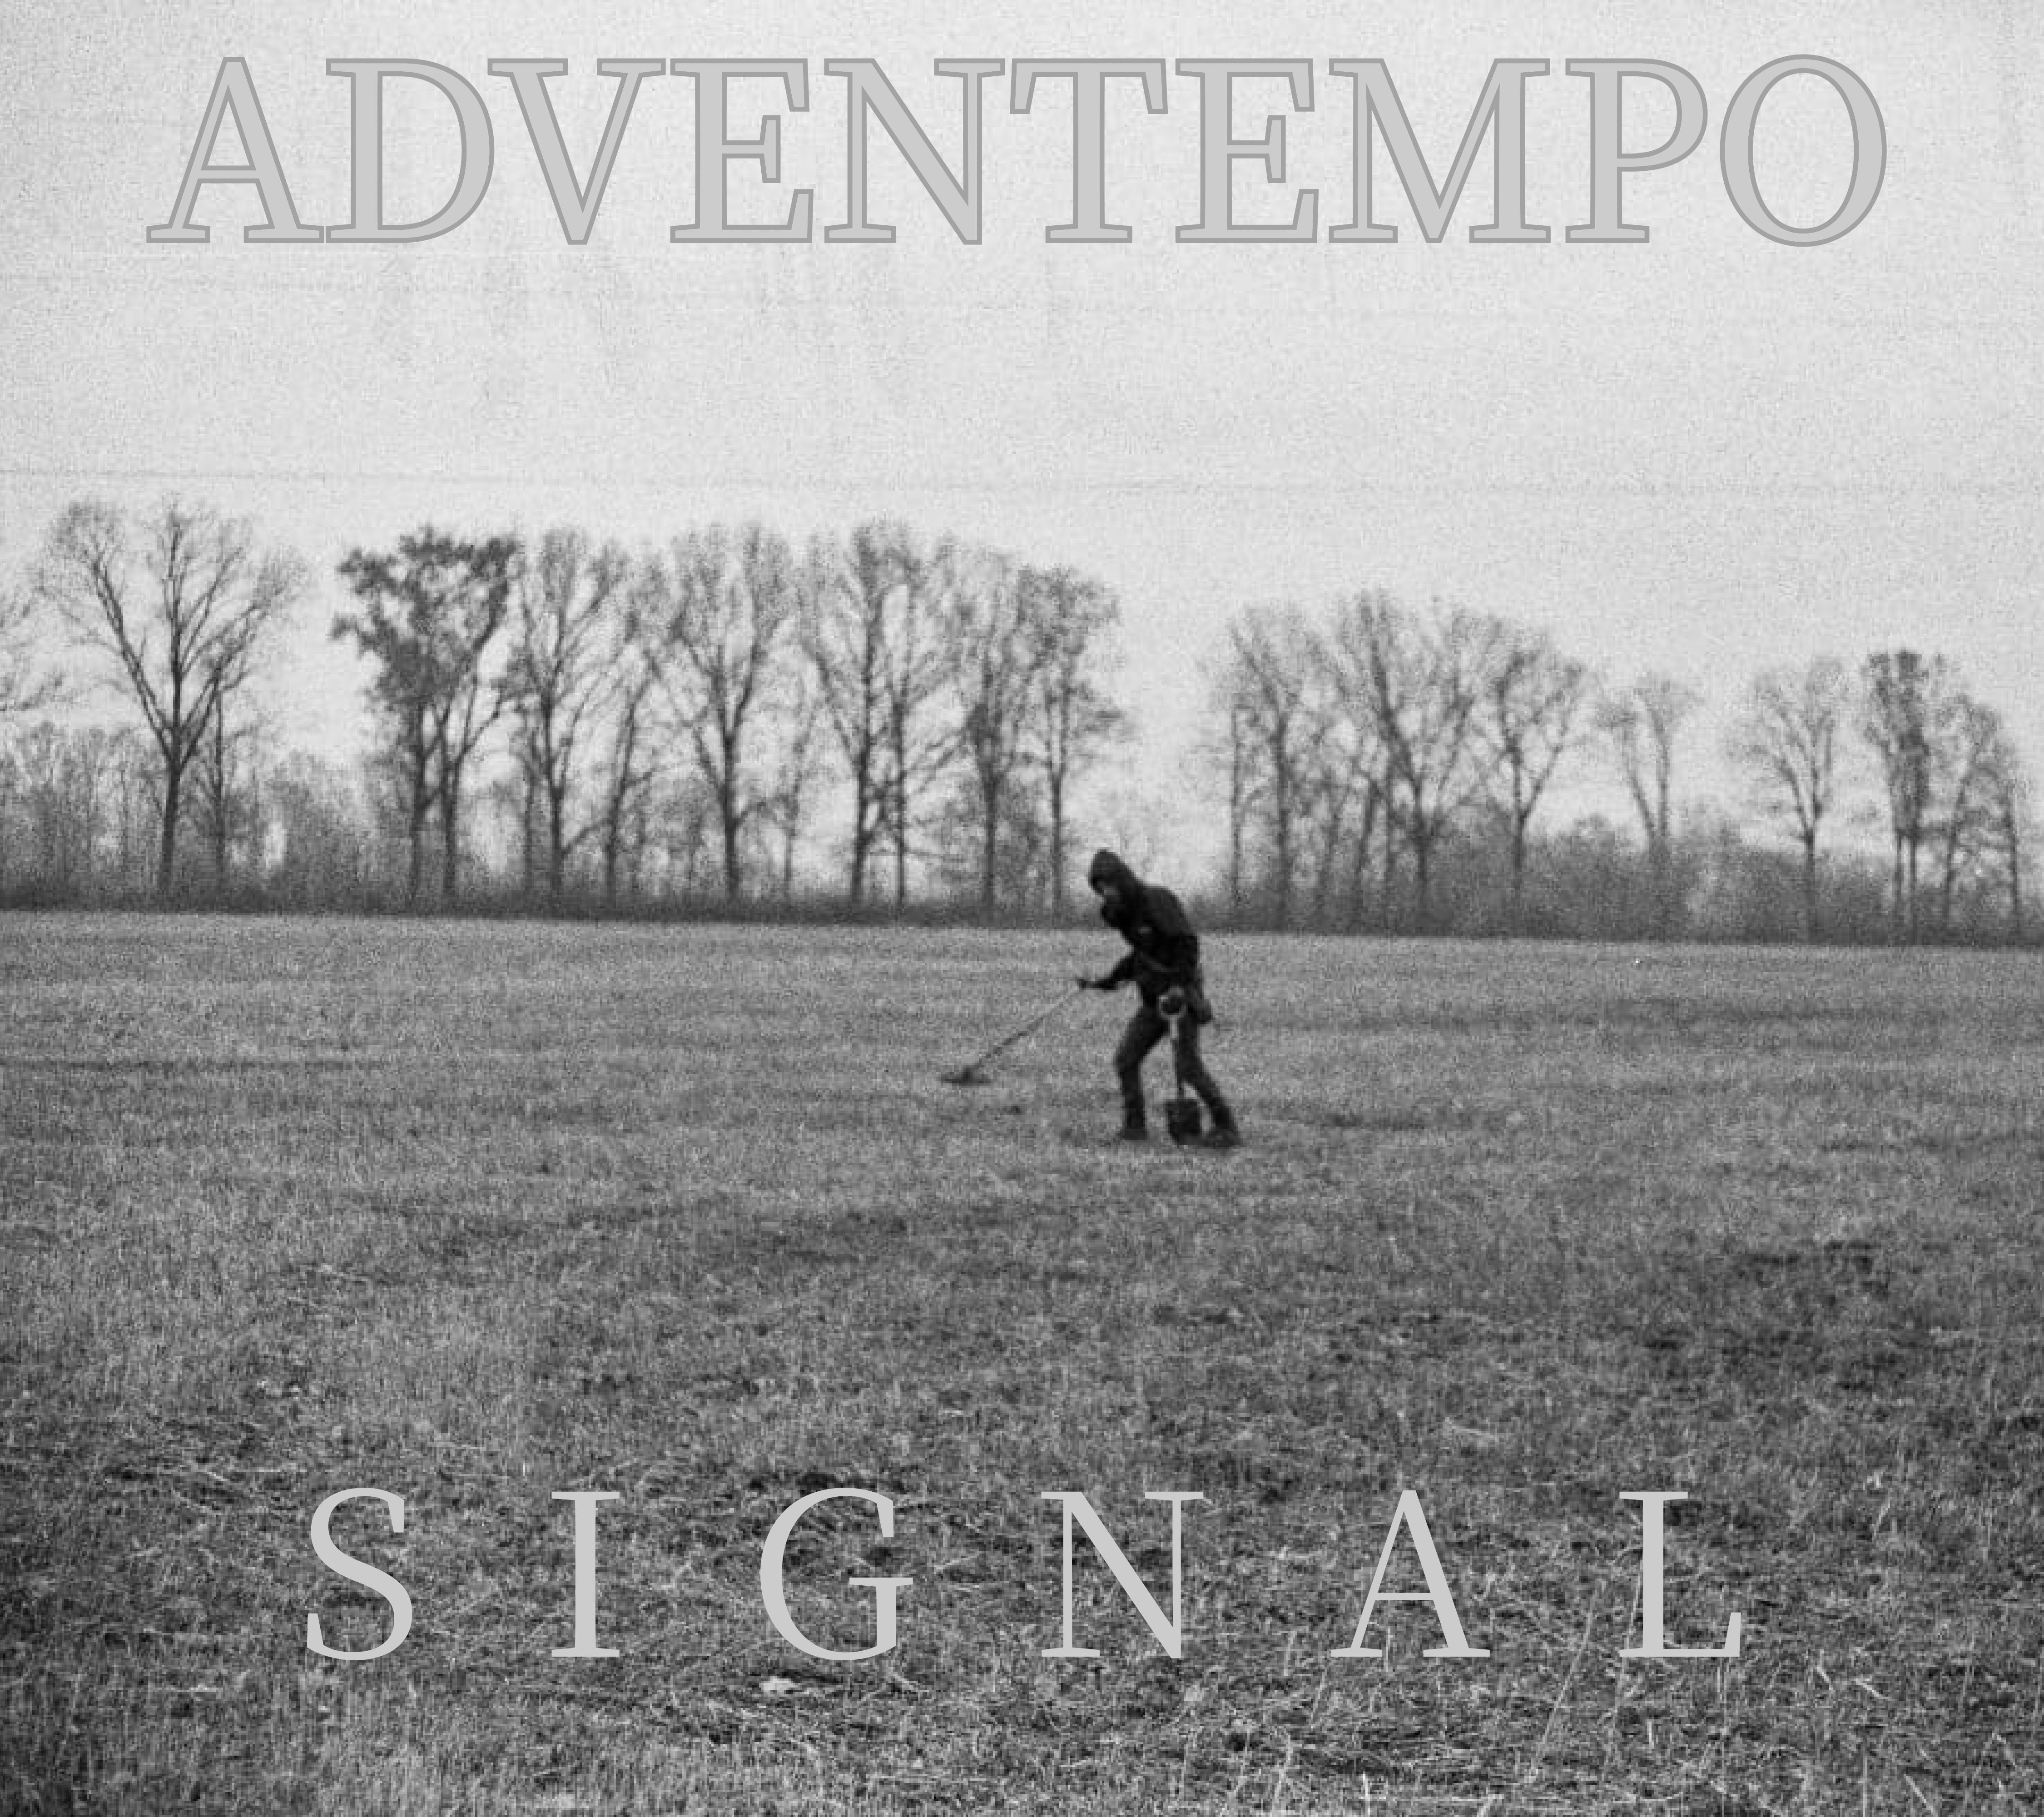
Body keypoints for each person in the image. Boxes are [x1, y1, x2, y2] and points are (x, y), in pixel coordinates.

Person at [1076, 848, 1240, 1147]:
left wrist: (1178, 986)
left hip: (1181, 1000)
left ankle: (1226, 1127)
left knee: (1189, 1068)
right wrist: (1103, 982)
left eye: (1110, 884)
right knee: (1126, 1059)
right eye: (1100, 888)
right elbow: (1140, 956)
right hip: (1154, 1002)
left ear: (1123, 879)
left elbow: (1187, 944)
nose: (1107, 892)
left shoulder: (1156, 900)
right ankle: (1134, 1128)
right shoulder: (1125, 915)